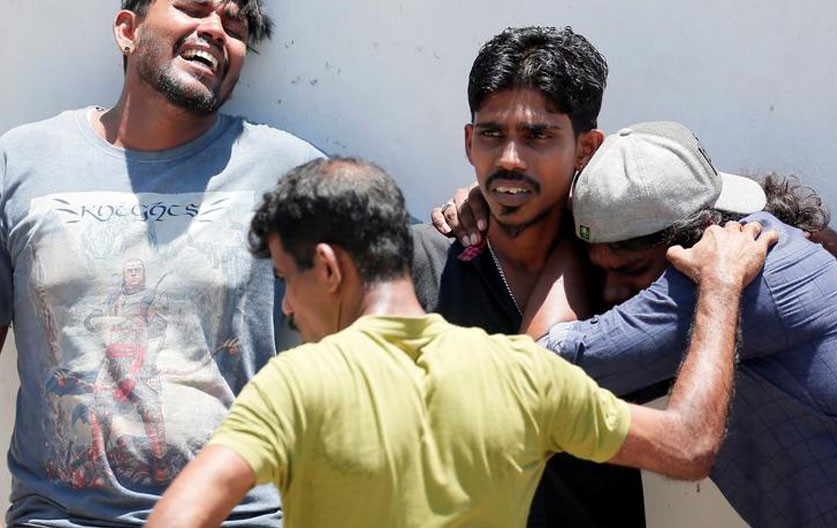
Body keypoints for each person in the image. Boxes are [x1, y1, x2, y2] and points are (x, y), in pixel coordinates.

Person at [146, 157, 776, 528]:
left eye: (287, 279)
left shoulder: (296, 385)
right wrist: (719, 292)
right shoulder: (524, 375)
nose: (285, 304)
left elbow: (178, 518)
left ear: (331, 269)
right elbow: (691, 444)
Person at [0, 0, 324, 526]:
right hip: (60, 518)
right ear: (128, 31)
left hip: (239, 518)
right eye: (194, 9)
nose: (215, 31)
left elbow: (391, 283)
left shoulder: (284, 169)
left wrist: (472, 212)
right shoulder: (21, 162)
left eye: (235, 26)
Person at [526, 121, 837, 526]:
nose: (613, 292)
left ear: (692, 239)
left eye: (630, 270)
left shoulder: (734, 275)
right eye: (599, 272)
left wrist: (557, 236)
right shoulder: (767, 240)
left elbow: (537, 367)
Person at [411, 25, 653, 526]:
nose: (509, 160)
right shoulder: (416, 264)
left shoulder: (624, 273)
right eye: (492, 134)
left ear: (586, 150)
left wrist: (575, 240)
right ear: (468, 141)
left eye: (538, 135)